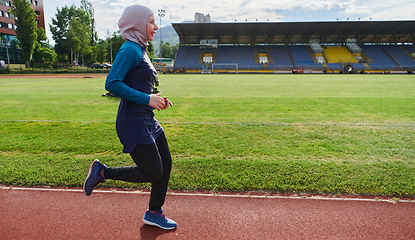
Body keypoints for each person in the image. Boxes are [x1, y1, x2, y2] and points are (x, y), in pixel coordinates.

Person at [83, 4, 176, 230]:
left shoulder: (141, 49)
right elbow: (112, 83)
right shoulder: (130, 49)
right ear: (137, 23)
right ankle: (102, 172)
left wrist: (155, 98)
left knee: (166, 164)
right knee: (154, 171)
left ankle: (154, 212)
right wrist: (147, 99)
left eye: (155, 21)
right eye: (151, 21)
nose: (155, 26)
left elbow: (139, 85)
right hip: (133, 123)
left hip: (147, 120)